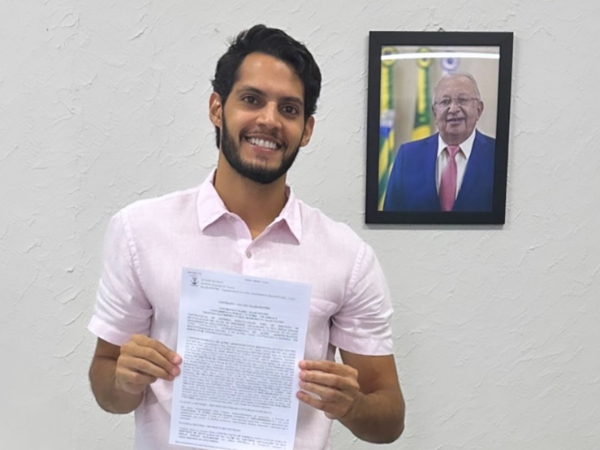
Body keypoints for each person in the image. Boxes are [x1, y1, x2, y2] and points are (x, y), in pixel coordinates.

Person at [88, 24, 404, 450]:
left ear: (306, 130)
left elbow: (389, 420)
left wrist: (352, 406)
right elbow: (105, 381)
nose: (269, 120)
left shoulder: (347, 256)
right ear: (217, 109)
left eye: (289, 109)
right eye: (252, 100)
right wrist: (124, 381)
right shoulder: (139, 231)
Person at [383, 72, 496, 212]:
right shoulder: (408, 156)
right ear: (434, 112)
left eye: (462, 100)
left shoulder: (497, 154)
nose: (453, 109)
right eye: (445, 102)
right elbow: (390, 217)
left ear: (479, 109)